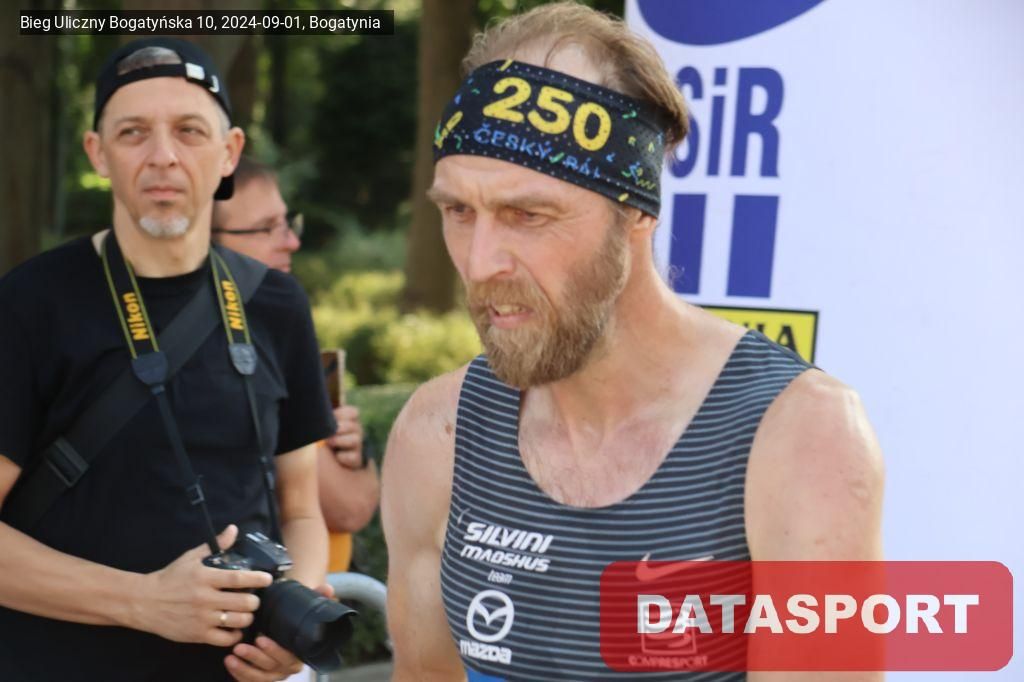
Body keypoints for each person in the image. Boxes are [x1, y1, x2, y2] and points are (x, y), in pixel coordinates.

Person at [381, 3, 885, 681]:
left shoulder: (799, 436)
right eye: (458, 211)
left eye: (528, 214)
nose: (479, 263)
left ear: (636, 210)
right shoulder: (437, 433)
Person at [0, 38, 336, 682]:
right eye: (133, 133)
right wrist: (142, 602)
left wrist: (291, 620)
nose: (163, 156)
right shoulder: (29, 302)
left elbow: (301, 510)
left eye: (189, 130)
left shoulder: (277, 304)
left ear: (229, 152)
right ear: (97, 153)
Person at [211, 157, 381, 567]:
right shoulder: (232, 355)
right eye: (266, 228)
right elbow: (347, 507)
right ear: (206, 239)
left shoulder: (277, 326)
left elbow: (354, 504)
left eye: (288, 223)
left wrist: (357, 453)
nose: (291, 242)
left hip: (309, 592)